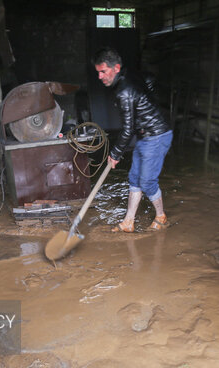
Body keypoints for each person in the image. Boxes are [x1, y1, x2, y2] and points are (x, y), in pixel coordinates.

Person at [93, 47, 173, 232]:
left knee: (147, 181)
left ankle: (161, 217)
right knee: (134, 178)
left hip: (157, 135)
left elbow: (127, 129)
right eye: (98, 72)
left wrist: (115, 154)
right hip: (145, 136)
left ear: (116, 68)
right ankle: (128, 221)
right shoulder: (129, 76)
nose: (100, 77)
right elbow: (150, 79)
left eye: (103, 72)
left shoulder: (124, 91)